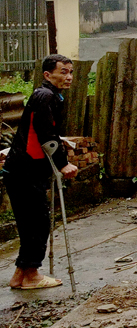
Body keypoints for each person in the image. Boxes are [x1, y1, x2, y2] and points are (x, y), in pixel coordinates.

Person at [4, 54, 79, 290]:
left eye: (70, 72)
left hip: (24, 168)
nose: (68, 77)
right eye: (63, 72)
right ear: (48, 75)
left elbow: (44, 133)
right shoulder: (46, 96)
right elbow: (46, 136)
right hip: (25, 169)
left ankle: (21, 275)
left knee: (31, 223)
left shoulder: (50, 95)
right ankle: (32, 274)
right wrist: (62, 164)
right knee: (37, 223)